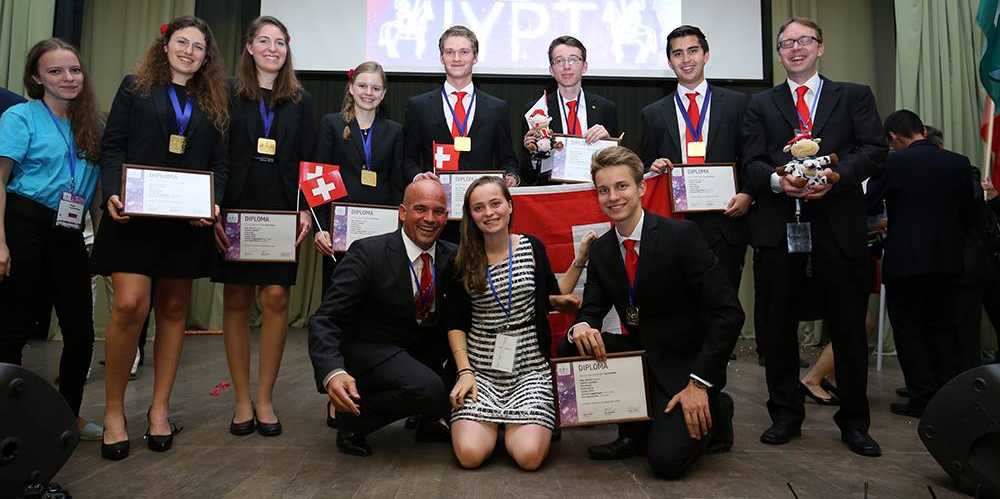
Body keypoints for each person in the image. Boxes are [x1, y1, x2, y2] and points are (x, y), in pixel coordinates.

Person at [741, 17, 887, 457]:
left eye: (805, 41)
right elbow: (750, 160)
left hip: (838, 231)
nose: (796, 49)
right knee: (776, 329)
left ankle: (855, 422)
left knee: (846, 329)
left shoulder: (854, 96)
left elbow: (875, 151)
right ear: (780, 53)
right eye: (787, 43)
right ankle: (785, 416)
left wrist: (839, 177)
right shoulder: (761, 104)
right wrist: (774, 182)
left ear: (820, 47)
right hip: (778, 230)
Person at [91, 16, 229, 460]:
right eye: (182, 42)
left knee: (173, 310)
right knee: (131, 303)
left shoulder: (213, 100)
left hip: (186, 224)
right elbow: (112, 147)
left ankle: (159, 410)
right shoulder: (135, 87)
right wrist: (112, 191)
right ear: (165, 45)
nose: (190, 51)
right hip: (133, 217)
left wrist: (214, 201)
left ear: (207, 56)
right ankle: (114, 412)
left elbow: (220, 164)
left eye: (199, 46)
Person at [562, 146, 743, 478]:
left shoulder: (682, 236)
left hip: (685, 367)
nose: (613, 197)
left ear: (641, 188)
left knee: (665, 462)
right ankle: (633, 431)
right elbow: (591, 309)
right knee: (573, 345)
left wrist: (700, 383)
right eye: (603, 190)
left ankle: (717, 409)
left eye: (622, 186)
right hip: (641, 359)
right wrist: (583, 326)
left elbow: (728, 313)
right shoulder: (602, 250)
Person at [212, 15, 314, 438]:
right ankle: (240, 400)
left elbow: (309, 160)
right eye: (265, 41)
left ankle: (266, 398)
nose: (273, 48)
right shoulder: (227, 93)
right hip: (234, 209)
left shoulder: (300, 100)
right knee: (236, 299)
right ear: (249, 47)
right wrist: (213, 205)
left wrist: (307, 210)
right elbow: (214, 151)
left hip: (280, 214)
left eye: (281, 42)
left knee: (275, 299)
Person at [445, 176, 586, 470]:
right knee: (470, 456)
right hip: (480, 373)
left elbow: (550, 294)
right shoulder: (462, 259)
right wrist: (464, 372)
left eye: (496, 203)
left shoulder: (532, 247)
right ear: (470, 215)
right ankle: (497, 425)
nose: (489, 213)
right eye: (478, 207)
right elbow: (455, 322)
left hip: (529, 371)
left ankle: (510, 425)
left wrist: (580, 260)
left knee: (528, 457)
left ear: (510, 206)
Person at [0, 38, 103, 440]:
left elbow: (94, 189)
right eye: (56, 71)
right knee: (13, 329)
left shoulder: (92, 124)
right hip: (24, 222)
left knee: (80, 331)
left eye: (74, 69)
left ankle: (67, 416)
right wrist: (1, 243)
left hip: (69, 230)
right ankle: (8, 420)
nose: (68, 77)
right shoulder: (20, 117)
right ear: (36, 77)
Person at [309, 178, 456, 457]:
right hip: (374, 353)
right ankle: (353, 421)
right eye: (420, 209)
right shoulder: (367, 253)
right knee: (430, 390)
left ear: (446, 217)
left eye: (438, 211)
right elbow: (326, 319)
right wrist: (333, 372)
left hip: (424, 351)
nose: (429, 218)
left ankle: (428, 418)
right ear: (402, 212)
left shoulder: (453, 256)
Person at [865, 110, 976, 418]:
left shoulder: (893, 163)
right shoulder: (958, 162)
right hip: (948, 260)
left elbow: (870, 202)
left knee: (910, 331)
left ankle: (921, 395)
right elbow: (969, 213)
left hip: (906, 261)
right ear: (922, 130)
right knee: (943, 327)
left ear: (893, 138)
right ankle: (947, 392)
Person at [643, 24, 751, 290]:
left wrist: (749, 193)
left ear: (706, 55)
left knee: (723, 305)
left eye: (692, 51)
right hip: (675, 225)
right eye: (678, 54)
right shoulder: (653, 113)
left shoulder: (738, 104)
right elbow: (644, 163)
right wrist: (652, 166)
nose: (686, 59)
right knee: (681, 308)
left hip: (725, 221)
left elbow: (751, 155)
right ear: (670, 62)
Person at [314, 61, 404, 293]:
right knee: (338, 299)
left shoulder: (395, 131)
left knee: (377, 301)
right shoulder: (331, 124)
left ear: (383, 94)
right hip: (339, 232)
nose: (368, 92)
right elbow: (319, 181)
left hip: (381, 232)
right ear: (351, 87)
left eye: (375, 88)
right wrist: (321, 227)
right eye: (362, 85)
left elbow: (397, 185)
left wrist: (399, 231)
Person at [402, 25, 518, 185]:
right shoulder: (419, 106)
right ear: (442, 58)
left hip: (482, 202)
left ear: (475, 57)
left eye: (464, 52)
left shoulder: (497, 108)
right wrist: (417, 177)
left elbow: (508, 159)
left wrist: (511, 176)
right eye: (449, 52)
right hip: (436, 199)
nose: (456, 58)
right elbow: (408, 159)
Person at [521, 35, 618, 185]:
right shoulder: (536, 111)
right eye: (559, 61)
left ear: (584, 66)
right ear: (551, 70)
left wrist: (608, 142)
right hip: (553, 197)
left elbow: (618, 164)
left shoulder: (605, 108)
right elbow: (527, 175)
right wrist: (533, 154)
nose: (566, 66)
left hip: (595, 192)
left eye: (573, 59)